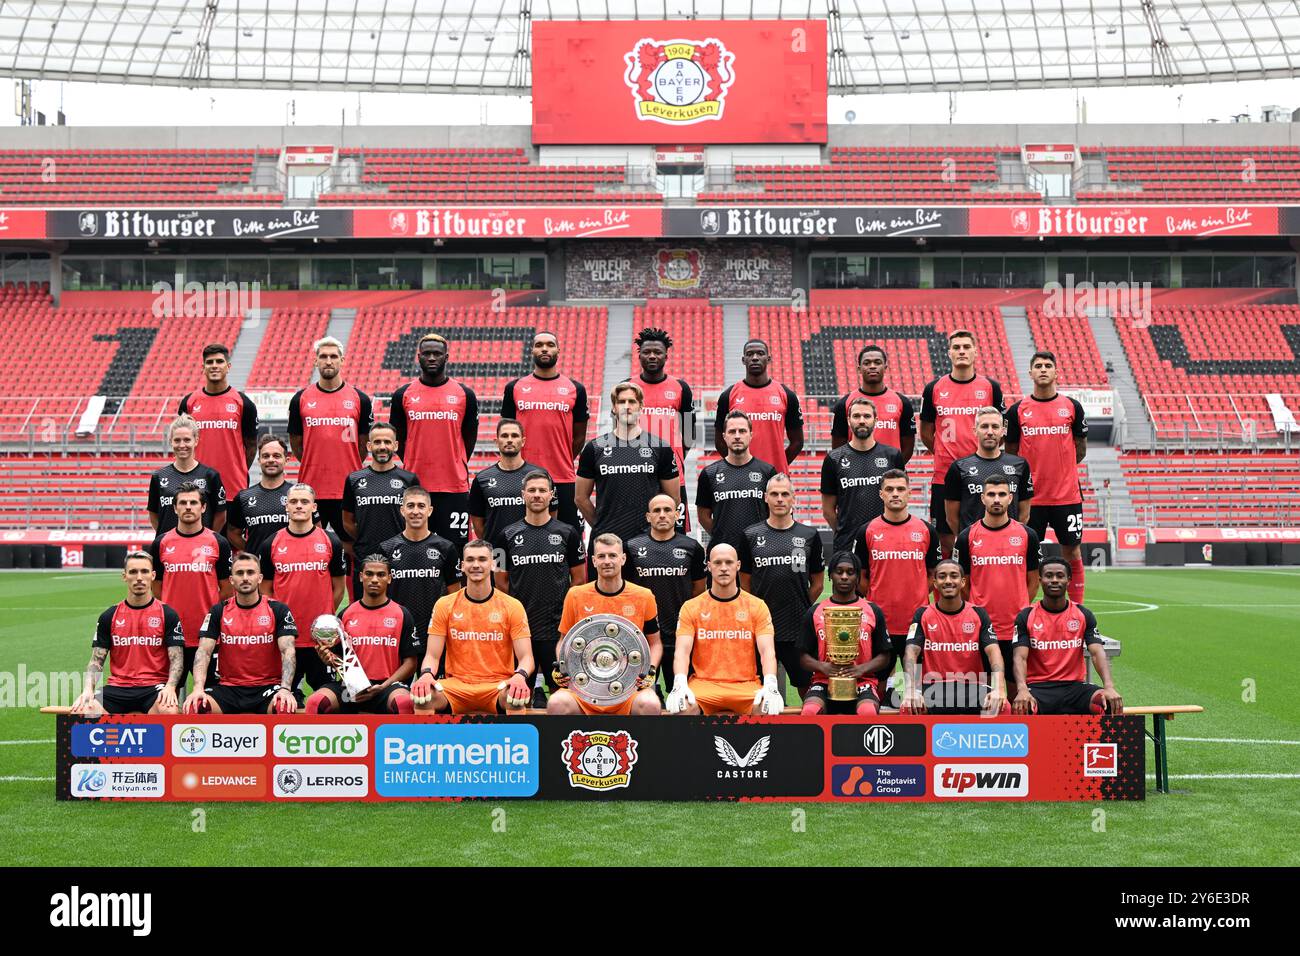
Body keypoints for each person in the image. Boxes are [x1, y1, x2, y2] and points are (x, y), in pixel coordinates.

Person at [410, 539, 533, 715]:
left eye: (482, 559)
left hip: (497, 685)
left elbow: (527, 657)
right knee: (423, 698)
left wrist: (520, 676)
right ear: (462, 566)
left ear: (493, 564)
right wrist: (426, 674)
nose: (476, 565)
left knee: (515, 698)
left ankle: (516, 742)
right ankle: (429, 742)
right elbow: (432, 655)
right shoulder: (445, 604)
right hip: (456, 686)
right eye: (470, 560)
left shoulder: (512, 605)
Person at [1005, 351, 1090, 603]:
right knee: (1026, 554)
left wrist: (1061, 470)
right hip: (1031, 499)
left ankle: (1077, 607)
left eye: (1048, 365)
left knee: (1072, 550)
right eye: (1038, 366)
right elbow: (1011, 455)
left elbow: (1080, 448)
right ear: (1030, 373)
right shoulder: (1017, 411)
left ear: (1056, 372)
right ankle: (1023, 608)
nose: (1043, 369)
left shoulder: (1072, 407)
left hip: (1066, 497)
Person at [547, 534, 662, 716]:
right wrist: (563, 666)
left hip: (629, 688)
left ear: (623, 559)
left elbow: (655, 643)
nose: (607, 561)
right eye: (601, 556)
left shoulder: (644, 596)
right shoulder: (575, 595)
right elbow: (564, 641)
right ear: (593, 561)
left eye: (612, 555)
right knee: (556, 704)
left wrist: (650, 670)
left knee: (650, 705)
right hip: (585, 688)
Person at [495, 470, 585, 706]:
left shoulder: (568, 533)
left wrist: (563, 614)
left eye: (542, 490)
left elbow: (578, 580)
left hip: (556, 628)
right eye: (532, 490)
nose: (537, 495)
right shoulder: (505, 536)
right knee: (516, 697)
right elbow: (501, 582)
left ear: (551, 495)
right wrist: (516, 614)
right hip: (520, 629)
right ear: (523, 494)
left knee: (563, 696)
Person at [667, 544, 784, 716]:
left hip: (745, 686)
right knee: (681, 708)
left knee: (768, 709)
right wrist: (679, 682)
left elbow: (767, 651)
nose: (723, 568)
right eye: (717, 562)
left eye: (729, 562)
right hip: (704, 685)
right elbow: (682, 652)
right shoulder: (691, 607)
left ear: (738, 566)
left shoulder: (756, 605)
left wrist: (771, 684)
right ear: (708, 566)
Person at [388, 333, 480, 550]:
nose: (431, 358)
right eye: (426, 354)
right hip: (415, 485)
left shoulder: (465, 394)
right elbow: (398, 439)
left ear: (446, 357)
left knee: (455, 551)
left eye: (437, 354)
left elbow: (469, 438)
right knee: (413, 549)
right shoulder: (402, 394)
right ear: (418, 357)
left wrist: (454, 460)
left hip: (453, 487)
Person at [953, 476, 1040, 696]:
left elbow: (1033, 580)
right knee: (982, 690)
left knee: (1014, 688)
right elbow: (963, 583)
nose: (996, 499)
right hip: (981, 627)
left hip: (1015, 627)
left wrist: (1021, 608)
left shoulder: (1027, 535)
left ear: (1010, 498)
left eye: (1002, 494)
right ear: (982, 498)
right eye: (991, 494)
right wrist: (977, 611)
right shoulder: (966, 537)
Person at [576, 381, 679, 567]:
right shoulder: (595, 448)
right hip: (607, 542)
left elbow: (673, 498)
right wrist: (600, 526)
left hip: (649, 540)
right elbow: (580, 498)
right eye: (621, 401)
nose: (627, 406)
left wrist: (655, 528)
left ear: (641, 406)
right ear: (614, 407)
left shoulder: (660, 447)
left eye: (632, 401)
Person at [739, 473, 824, 696]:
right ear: (765, 498)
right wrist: (759, 611)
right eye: (774, 494)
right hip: (761, 626)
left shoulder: (809, 535)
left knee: (808, 689)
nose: (779, 499)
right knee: (760, 690)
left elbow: (818, 583)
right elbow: (745, 582)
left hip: (797, 626)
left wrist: (801, 604)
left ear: (793, 499)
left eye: (785, 494)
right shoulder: (750, 535)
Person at [856, 470, 941, 693]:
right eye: (890, 489)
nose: (895, 494)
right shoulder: (867, 531)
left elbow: (934, 574)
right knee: (878, 686)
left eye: (901, 489)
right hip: (879, 623)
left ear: (909, 493)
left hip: (916, 622)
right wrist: (875, 599)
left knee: (921, 689)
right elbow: (861, 577)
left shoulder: (926, 530)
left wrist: (919, 593)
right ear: (881, 494)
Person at [182, 552, 298, 715]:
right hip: (229, 689)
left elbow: (288, 651)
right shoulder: (218, 611)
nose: (245, 578)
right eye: (239, 573)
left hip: (267, 688)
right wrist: (198, 688)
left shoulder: (278, 610)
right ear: (231, 580)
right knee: (197, 707)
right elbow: (204, 652)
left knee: (284, 707)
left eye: (250, 573)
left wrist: (285, 689)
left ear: (259, 578)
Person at [920, 329, 1003, 554]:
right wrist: (942, 451)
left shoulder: (990, 388)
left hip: (983, 474)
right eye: (956, 348)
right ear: (949, 353)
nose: (962, 351)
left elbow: (998, 428)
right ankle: (946, 590)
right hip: (944, 474)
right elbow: (926, 432)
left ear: (975, 352)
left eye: (966, 347)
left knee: (984, 537)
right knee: (944, 541)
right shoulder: (934, 388)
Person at [304, 554, 420, 715]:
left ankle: (399, 740)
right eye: (369, 574)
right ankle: (326, 740)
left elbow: (411, 663)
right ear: (360, 576)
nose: (374, 579)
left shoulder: (402, 614)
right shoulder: (345, 615)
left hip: (386, 688)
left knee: (404, 703)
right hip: (351, 688)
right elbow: (339, 659)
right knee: (316, 702)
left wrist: (384, 686)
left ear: (389, 578)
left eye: (381, 575)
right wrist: (329, 660)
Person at [71, 551, 184, 716]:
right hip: (117, 688)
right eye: (133, 572)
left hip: (152, 688)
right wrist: (88, 690)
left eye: (144, 571)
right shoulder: (109, 616)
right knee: (81, 711)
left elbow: (177, 660)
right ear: (124, 576)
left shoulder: (167, 614)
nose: (139, 577)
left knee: (169, 711)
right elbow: (96, 660)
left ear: (153, 575)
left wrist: (170, 687)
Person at [259, 483, 346, 695]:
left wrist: (322, 622)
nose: (299, 506)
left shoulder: (330, 541)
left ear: (314, 507)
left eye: (304, 502)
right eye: (294, 502)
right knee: (285, 699)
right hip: (285, 638)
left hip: (321, 641)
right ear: (286, 507)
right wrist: (280, 623)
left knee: (327, 701)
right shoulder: (271, 543)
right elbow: (266, 591)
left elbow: (339, 587)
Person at [148, 483, 232, 691]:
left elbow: (227, 589)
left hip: (208, 636)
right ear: (174, 508)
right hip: (171, 636)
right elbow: (156, 587)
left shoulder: (218, 542)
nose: (188, 507)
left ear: (203, 508)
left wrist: (209, 614)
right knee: (166, 698)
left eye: (193, 502)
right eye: (182, 503)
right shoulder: (161, 542)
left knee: (211, 697)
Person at [288, 336, 373, 542]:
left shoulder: (360, 399)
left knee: (353, 547)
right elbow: (296, 443)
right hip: (312, 489)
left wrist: (348, 465)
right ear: (315, 361)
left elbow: (363, 444)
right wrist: (315, 462)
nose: (328, 361)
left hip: (348, 489)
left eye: (333, 356)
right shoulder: (300, 399)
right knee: (311, 546)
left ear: (342, 361)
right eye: (323, 356)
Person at [500, 330, 589, 529]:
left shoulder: (576, 389)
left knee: (566, 538)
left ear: (558, 350)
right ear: (531, 350)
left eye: (549, 345)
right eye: (539, 345)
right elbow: (506, 431)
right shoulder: (514, 388)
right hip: (520, 477)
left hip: (562, 477)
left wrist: (561, 456)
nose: (544, 349)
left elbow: (579, 436)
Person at [1012, 557, 1122, 715]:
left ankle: (1097, 741)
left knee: (1108, 703)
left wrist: (1109, 687)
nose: (1054, 580)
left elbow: (1097, 652)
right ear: (1040, 579)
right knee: (1024, 707)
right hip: (1039, 688)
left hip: (1075, 688)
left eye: (1060, 576)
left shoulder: (1083, 614)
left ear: (1069, 580)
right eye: (1049, 576)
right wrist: (1022, 689)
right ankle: (1042, 741)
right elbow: (1019, 657)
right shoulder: (1026, 616)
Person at [900, 559, 1008, 715]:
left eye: (954, 576)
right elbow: (911, 652)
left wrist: (999, 688)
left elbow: (994, 652)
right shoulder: (923, 614)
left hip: (973, 686)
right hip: (932, 687)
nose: (948, 581)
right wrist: (910, 690)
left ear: (963, 582)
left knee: (1003, 707)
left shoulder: (978, 613)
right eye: (942, 576)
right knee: (908, 707)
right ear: (935, 583)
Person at [625, 494, 706, 694]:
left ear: (677, 515)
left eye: (668, 510)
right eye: (657, 511)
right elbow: (626, 591)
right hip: (643, 637)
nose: (662, 515)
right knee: (641, 695)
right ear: (648, 516)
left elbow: (698, 591)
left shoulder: (692, 547)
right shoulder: (633, 547)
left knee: (682, 695)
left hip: (680, 635)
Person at [799, 552, 892, 716]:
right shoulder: (815, 611)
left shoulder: (872, 610)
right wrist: (823, 667)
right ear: (830, 575)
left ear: (857, 578)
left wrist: (861, 669)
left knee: (868, 712)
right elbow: (802, 656)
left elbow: (885, 655)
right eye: (839, 571)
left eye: (850, 572)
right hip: (823, 680)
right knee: (809, 712)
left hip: (863, 682)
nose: (844, 577)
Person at [820, 396, 905, 555]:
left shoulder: (892, 456)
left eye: (867, 416)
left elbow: (900, 500)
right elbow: (828, 510)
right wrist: (845, 531)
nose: (861, 421)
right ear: (848, 420)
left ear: (876, 420)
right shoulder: (834, 459)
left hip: (886, 542)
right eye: (856, 416)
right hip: (847, 544)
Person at [378, 486, 460, 641]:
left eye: (421, 506)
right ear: (402, 510)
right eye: (410, 506)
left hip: (435, 629)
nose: (416, 511)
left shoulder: (446, 548)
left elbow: (454, 595)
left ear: (430, 510)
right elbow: (382, 593)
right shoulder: (386, 548)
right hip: (397, 627)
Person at [342, 423, 420, 587]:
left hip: (401, 554)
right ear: (369, 446)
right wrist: (365, 538)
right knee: (365, 607)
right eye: (377, 442)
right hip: (365, 554)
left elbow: (417, 518)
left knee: (400, 608)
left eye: (387, 442)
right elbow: (347, 520)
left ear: (396, 445)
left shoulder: (409, 479)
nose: (382, 447)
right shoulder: (354, 479)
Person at [177, 342, 258, 497]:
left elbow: (251, 446)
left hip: (233, 487)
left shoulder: (243, 403)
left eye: (219, 361)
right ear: (203, 368)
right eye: (209, 362)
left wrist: (237, 470)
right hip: (195, 488)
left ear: (228, 366)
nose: (214, 366)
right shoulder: (188, 403)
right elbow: (182, 443)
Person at [634, 326, 694, 532]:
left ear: (666, 356)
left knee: (676, 535)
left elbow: (689, 433)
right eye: (647, 352)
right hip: (636, 473)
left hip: (674, 476)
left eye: (657, 352)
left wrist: (674, 459)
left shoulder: (681, 388)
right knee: (636, 534)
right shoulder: (628, 386)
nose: (652, 356)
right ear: (639, 355)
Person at [714, 338, 803, 473]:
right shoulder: (728, 395)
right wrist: (737, 464)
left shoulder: (786, 395)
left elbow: (797, 442)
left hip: (775, 479)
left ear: (768, 358)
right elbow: (719, 441)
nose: (755, 358)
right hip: (741, 475)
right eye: (750, 354)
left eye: (760, 353)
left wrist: (776, 466)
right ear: (743, 360)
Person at [695, 411, 777, 555]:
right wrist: (723, 536)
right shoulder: (709, 474)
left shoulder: (767, 472)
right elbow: (703, 516)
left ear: (751, 435)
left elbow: (774, 513)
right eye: (732, 431)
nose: (737, 436)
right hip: (723, 553)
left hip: (758, 551)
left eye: (742, 431)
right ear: (724, 436)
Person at [944, 407, 1033, 532]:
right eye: (984, 426)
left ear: (1002, 431)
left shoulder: (1020, 465)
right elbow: (951, 518)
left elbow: (1024, 513)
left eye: (995, 427)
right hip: (975, 543)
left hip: (1009, 542)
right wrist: (968, 538)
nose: (990, 432)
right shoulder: (959, 467)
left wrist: (1013, 533)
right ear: (975, 431)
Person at [469, 418, 548, 547]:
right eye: (504, 436)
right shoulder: (482, 479)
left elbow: (551, 515)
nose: (509, 439)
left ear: (523, 442)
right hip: (498, 552)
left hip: (532, 550)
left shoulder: (539, 476)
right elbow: (478, 525)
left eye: (515, 435)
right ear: (497, 441)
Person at [830, 344, 916, 460]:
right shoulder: (844, 404)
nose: (872, 366)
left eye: (877, 362)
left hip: (890, 474)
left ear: (885, 367)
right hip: (856, 475)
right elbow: (838, 447)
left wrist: (894, 468)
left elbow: (908, 446)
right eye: (867, 363)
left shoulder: (902, 402)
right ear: (859, 368)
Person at [147, 414, 226, 535]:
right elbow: (154, 516)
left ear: (196, 441)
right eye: (177, 440)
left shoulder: (210, 476)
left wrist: (206, 539)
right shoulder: (159, 477)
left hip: (200, 549)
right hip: (169, 549)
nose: (182, 445)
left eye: (187, 440)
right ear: (171, 442)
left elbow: (221, 516)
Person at [226, 434, 291, 555]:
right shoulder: (244, 497)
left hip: (290, 566)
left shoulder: (296, 495)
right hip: (259, 569)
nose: (271, 460)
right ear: (259, 460)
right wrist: (253, 551)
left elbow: (315, 531)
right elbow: (232, 532)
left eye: (276, 456)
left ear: (286, 460)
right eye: (266, 456)